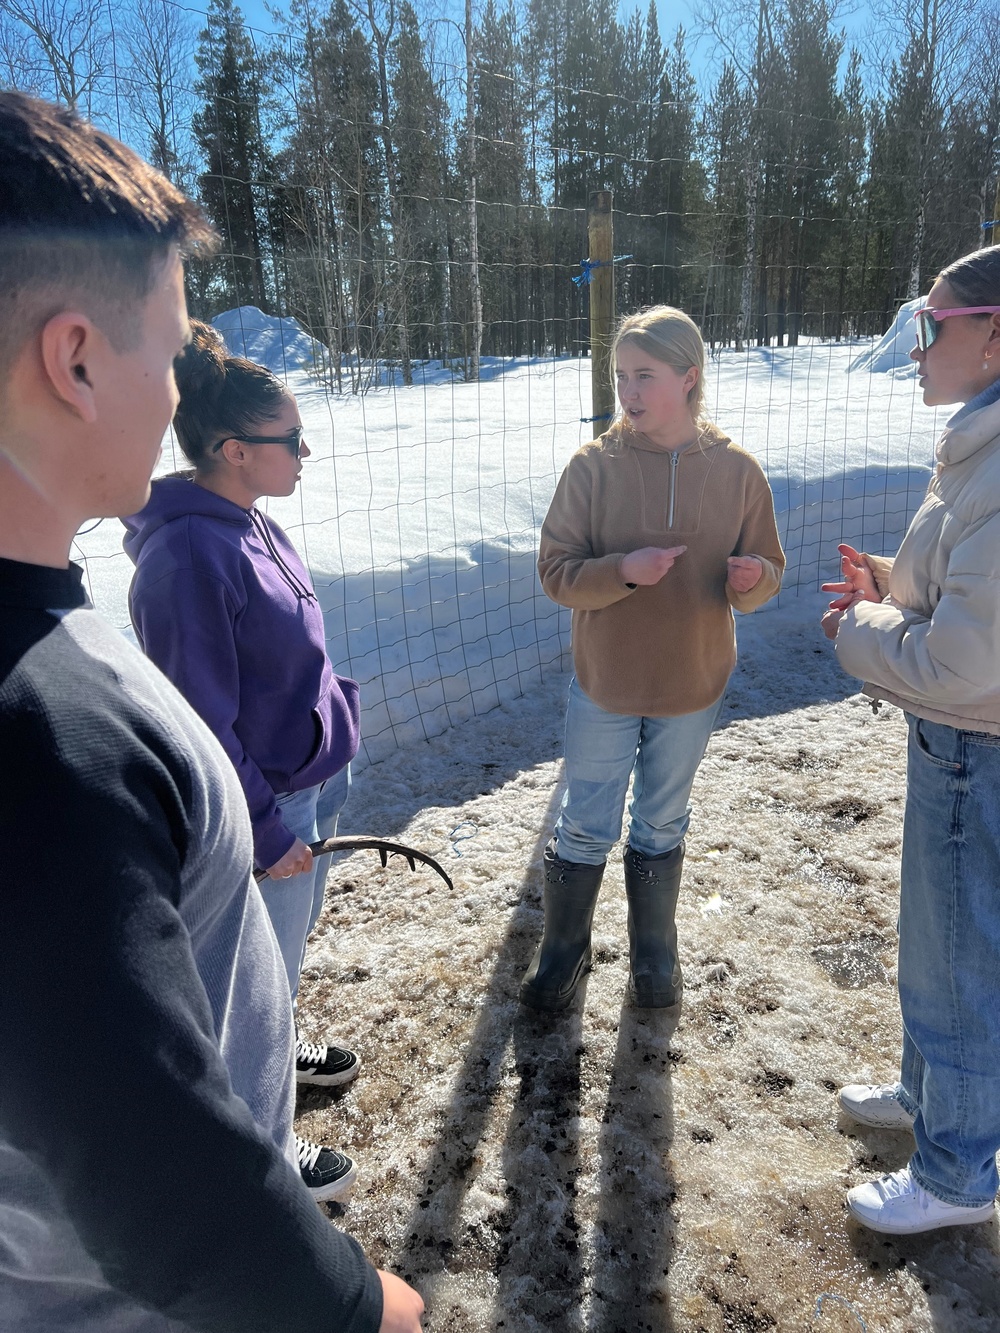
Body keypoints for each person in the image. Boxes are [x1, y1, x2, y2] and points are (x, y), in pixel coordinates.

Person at [0, 90, 423, 1333]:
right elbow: (156, 1182)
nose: (181, 395)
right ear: (75, 359)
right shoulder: (44, 730)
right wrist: (360, 1306)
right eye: (171, 347)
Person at [123, 322, 362, 1196]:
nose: (305, 450)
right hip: (269, 806)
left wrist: (332, 721)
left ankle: (279, 1041)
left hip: (308, 781)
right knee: (244, 976)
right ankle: (260, 1145)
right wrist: (263, 830)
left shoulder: (246, 518)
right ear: (231, 450)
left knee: (282, 958)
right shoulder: (188, 555)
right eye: (289, 439)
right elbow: (200, 723)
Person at [522, 305, 784, 1013]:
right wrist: (622, 571)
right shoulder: (593, 467)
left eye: (645, 375)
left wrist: (753, 579)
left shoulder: (736, 471)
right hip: (606, 682)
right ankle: (564, 951)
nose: (628, 391)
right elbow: (555, 572)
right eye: (621, 376)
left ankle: (654, 951)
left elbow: (771, 567)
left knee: (663, 819)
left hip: (692, 684)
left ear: (689, 378)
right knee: (585, 821)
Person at [822, 245, 1000, 1236]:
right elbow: (965, 599)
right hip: (962, 746)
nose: (915, 344)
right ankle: (933, 1103)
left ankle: (956, 1174)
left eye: (933, 325)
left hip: (976, 744)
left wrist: (858, 632)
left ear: (995, 333)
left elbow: (967, 662)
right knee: (941, 949)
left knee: (961, 961)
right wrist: (891, 583)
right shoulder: (978, 441)